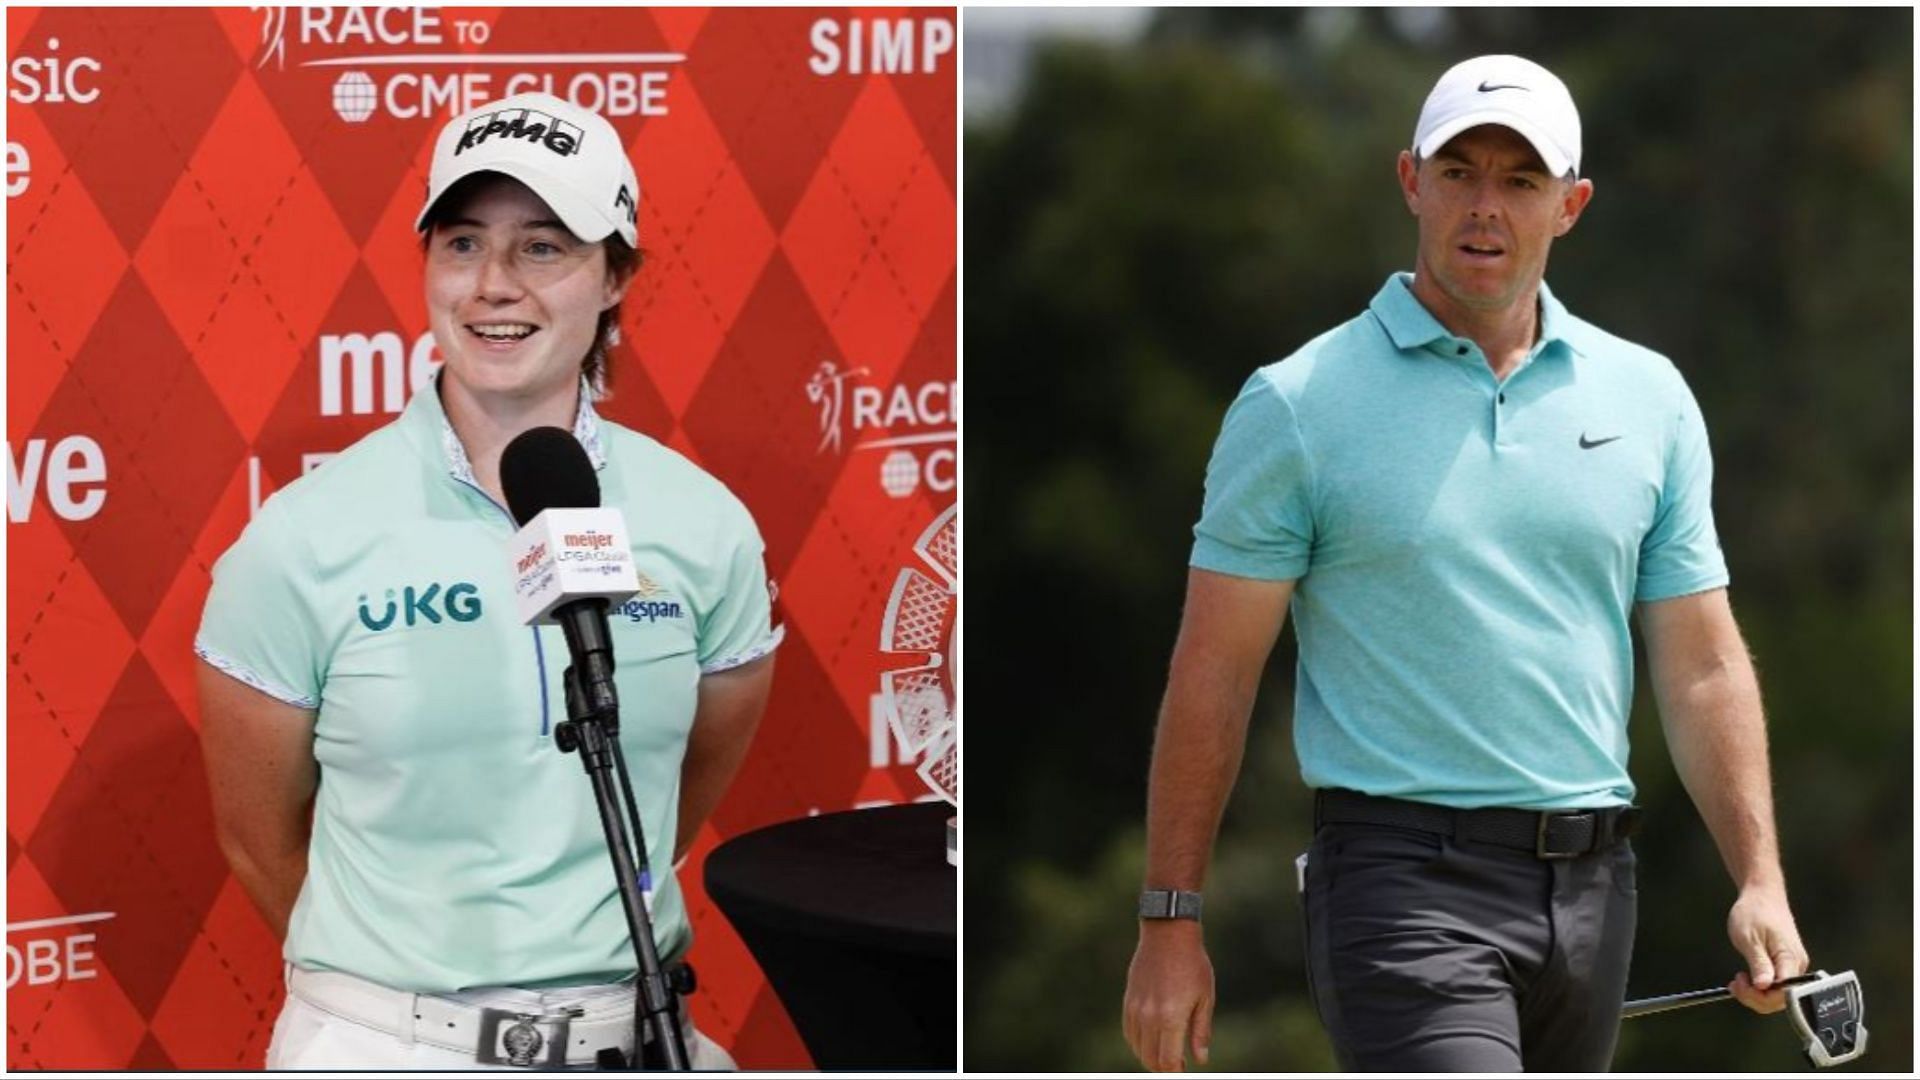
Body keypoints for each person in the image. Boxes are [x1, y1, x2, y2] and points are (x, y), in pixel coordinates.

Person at [1120, 55, 1808, 1072]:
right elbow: (1213, 671)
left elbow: (1702, 664)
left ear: (1570, 206)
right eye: (1459, 173)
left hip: (1593, 884)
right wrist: (1169, 921)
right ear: (1411, 181)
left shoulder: (1649, 398)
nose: (1485, 207)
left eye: (1520, 181)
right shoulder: (1298, 404)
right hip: (1399, 882)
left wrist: (1761, 878)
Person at [194, 92, 780, 1070]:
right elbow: (260, 844)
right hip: (383, 1046)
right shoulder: (301, 538)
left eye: (543, 248)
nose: (493, 285)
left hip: (637, 1039)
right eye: (462, 244)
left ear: (614, 277)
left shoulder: (704, 524)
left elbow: (672, 793)